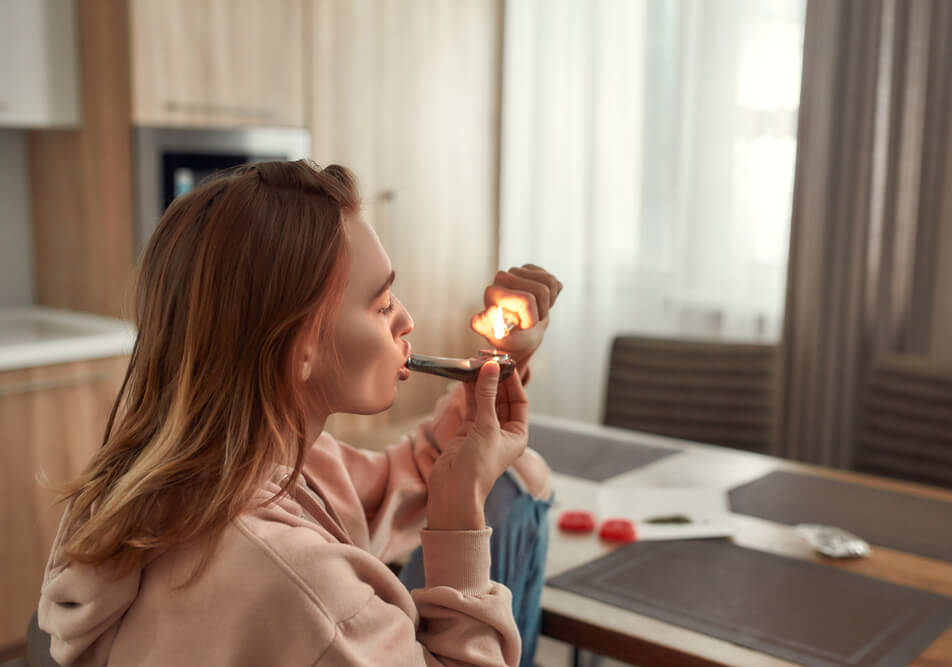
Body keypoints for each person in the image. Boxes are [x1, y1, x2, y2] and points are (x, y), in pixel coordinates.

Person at [36, 161, 561, 666]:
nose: (406, 320)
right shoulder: (304, 588)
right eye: (381, 305)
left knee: (517, 482)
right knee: (522, 485)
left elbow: (411, 478)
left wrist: (501, 360)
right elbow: (425, 499)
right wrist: (463, 505)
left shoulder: (220, 469)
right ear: (298, 348)